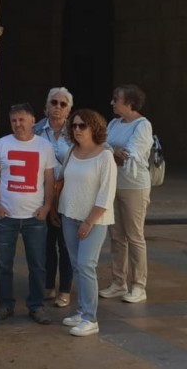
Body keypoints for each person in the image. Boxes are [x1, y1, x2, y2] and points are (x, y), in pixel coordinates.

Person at [0, 103, 57, 325]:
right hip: (6, 217)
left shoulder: (44, 146)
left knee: (37, 264)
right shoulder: (2, 144)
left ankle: (36, 306)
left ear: (32, 120)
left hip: (34, 218)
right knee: (3, 264)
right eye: (14, 120)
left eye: (22, 120)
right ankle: (5, 305)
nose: (18, 124)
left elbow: (49, 180)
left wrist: (47, 207)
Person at [59, 108, 117, 337]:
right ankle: (82, 310)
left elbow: (106, 195)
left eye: (82, 125)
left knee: (86, 265)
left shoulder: (105, 156)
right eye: (73, 126)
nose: (77, 129)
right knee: (76, 266)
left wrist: (89, 222)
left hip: (94, 220)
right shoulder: (72, 152)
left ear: (95, 127)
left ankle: (90, 318)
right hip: (69, 216)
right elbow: (61, 179)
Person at [99, 84, 154, 304]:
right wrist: (113, 152)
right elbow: (102, 145)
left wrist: (112, 152)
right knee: (116, 235)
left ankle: (139, 285)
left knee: (134, 235)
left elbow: (131, 154)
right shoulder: (113, 123)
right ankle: (118, 282)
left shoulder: (142, 125)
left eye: (116, 99)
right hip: (114, 183)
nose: (112, 102)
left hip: (134, 186)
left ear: (129, 103)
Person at [35, 87, 75, 308]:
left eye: (63, 104)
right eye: (54, 102)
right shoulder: (36, 130)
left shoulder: (78, 129)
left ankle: (65, 289)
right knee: (46, 242)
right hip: (42, 193)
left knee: (65, 242)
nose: (57, 107)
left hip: (68, 193)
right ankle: (48, 284)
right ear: (47, 105)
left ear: (69, 110)